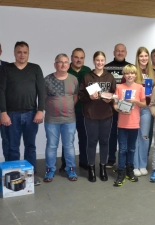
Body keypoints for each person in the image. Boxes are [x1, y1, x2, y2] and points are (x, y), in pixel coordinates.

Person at [0, 41, 45, 186]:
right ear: (14, 53)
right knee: (13, 147)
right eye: (19, 52)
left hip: (31, 114)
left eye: (25, 52)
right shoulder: (6, 69)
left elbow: (41, 91)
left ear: (28, 53)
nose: (22, 55)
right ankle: (14, 176)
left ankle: (31, 176)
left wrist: (40, 111)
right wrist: (3, 113)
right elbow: (1, 92)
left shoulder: (35, 68)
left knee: (30, 146)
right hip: (11, 115)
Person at [79, 51, 116, 182]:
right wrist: (89, 97)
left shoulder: (110, 77)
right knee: (92, 142)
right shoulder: (87, 77)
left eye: (102, 60)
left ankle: (103, 168)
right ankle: (91, 168)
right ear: (94, 61)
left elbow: (114, 95)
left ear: (105, 61)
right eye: (97, 60)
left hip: (106, 114)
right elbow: (81, 96)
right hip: (91, 115)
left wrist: (110, 99)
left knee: (105, 142)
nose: (100, 63)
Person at [44, 53, 79, 182]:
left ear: (69, 64)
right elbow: (43, 98)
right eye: (60, 62)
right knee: (51, 146)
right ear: (55, 64)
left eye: (65, 62)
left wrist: (68, 107)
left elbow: (75, 97)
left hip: (69, 119)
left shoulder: (74, 79)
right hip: (52, 120)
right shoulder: (47, 79)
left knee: (69, 145)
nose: (63, 64)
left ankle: (71, 170)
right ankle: (49, 171)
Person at [113, 64, 146, 186]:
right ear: (124, 75)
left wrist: (135, 101)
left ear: (135, 75)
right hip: (122, 124)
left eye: (132, 73)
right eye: (127, 73)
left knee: (131, 149)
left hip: (134, 124)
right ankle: (121, 172)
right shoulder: (119, 87)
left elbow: (144, 104)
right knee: (122, 149)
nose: (130, 75)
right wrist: (119, 110)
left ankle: (129, 171)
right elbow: (115, 104)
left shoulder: (139, 87)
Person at [59, 48, 91, 172]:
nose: (79, 60)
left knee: (84, 138)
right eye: (76, 57)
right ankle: (65, 163)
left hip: (84, 111)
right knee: (68, 139)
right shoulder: (66, 69)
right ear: (71, 58)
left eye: (81, 57)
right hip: (68, 111)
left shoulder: (87, 71)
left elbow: (93, 88)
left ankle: (84, 162)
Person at [104, 43, 130, 168]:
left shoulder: (130, 68)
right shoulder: (107, 68)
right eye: (117, 51)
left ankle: (125, 159)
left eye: (122, 51)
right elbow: (105, 87)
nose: (120, 53)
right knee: (112, 134)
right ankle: (112, 158)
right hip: (111, 107)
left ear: (126, 53)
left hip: (127, 107)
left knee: (125, 134)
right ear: (114, 52)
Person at [132, 47, 155, 177]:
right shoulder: (133, 71)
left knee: (144, 136)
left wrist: (154, 94)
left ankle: (142, 164)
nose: (144, 58)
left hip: (146, 108)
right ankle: (135, 165)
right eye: (141, 56)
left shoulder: (152, 73)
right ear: (138, 57)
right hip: (135, 108)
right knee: (135, 137)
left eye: (146, 56)